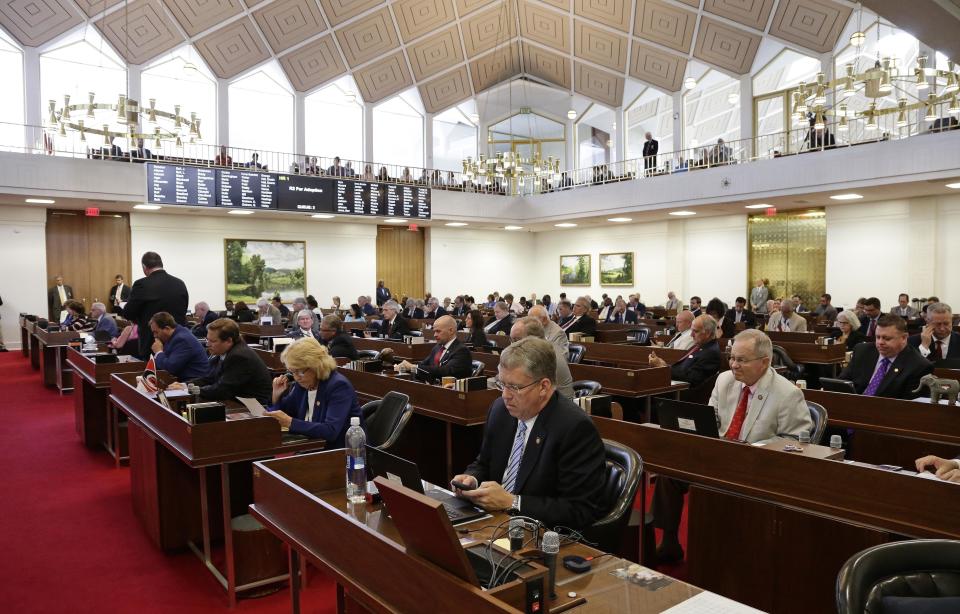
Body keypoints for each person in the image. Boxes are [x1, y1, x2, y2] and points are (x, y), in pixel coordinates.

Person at [652, 329, 813, 562]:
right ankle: (669, 540)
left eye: (741, 360)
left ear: (765, 362)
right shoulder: (724, 379)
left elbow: (796, 441)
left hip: (755, 464)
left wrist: (752, 448)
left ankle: (719, 552)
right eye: (732, 358)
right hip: (719, 454)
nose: (734, 365)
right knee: (670, 470)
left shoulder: (787, 394)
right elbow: (712, 418)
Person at [451, 337, 606, 530]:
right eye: (502, 384)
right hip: (492, 523)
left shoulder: (574, 428)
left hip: (539, 535)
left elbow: (579, 509)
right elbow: (484, 463)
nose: (505, 395)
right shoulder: (500, 410)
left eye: (514, 387)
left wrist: (513, 502)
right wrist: (471, 479)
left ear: (544, 386)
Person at [267, 338, 362, 447]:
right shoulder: (303, 384)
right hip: (309, 446)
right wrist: (276, 395)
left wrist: (290, 422)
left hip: (342, 452)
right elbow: (286, 413)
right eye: (293, 371)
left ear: (316, 365)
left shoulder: (338, 386)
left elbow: (330, 431)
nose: (296, 377)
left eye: (300, 371)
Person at [180, 318, 272, 405]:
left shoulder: (239, 356)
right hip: (235, 401)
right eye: (207, 339)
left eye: (213, 341)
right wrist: (184, 385)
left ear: (228, 341)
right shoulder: (224, 351)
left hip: (252, 408)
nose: (207, 344)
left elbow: (223, 390)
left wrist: (192, 390)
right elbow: (209, 379)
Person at [838, 314, 933, 399]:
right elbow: (842, 382)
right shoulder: (862, 351)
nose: (880, 343)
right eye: (877, 337)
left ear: (904, 338)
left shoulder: (919, 366)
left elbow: (909, 407)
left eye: (887, 338)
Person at [122, 252, 189, 360]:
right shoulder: (179, 283)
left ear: (144, 267)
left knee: (151, 375)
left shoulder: (142, 284)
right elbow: (183, 310)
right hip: (177, 341)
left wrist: (137, 318)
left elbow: (128, 313)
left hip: (151, 342)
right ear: (161, 264)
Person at [649, 315, 721, 388]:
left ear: (708, 333)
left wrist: (664, 368)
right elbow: (682, 370)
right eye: (691, 330)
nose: (691, 335)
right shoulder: (702, 346)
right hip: (676, 386)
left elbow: (692, 378)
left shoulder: (711, 353)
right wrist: (664, 365)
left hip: (682, 393)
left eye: (695, 331)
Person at [511, 317, 574, 398]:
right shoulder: (542, 347)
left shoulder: (542, 356)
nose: (512, 346)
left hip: (559, 406)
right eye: (512, 340)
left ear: (533, 338)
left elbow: (520, 387)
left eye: (517, 340)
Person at [397, 316, 471, 379]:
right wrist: (406, 368)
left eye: (438, 331)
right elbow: (424, 365)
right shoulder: (437, 347)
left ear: (451, 330)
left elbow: (445, 371)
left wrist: (412, 367)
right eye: (434, 331)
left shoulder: (461, 350)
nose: (435, 335)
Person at [149, 312, 210, 381]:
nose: (155, 336)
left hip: (193, 383)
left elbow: (170, 368)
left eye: (156, 332)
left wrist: (158, 352)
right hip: (181, 379)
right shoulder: (175, 335)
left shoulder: (182, 340)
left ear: (167, 328)